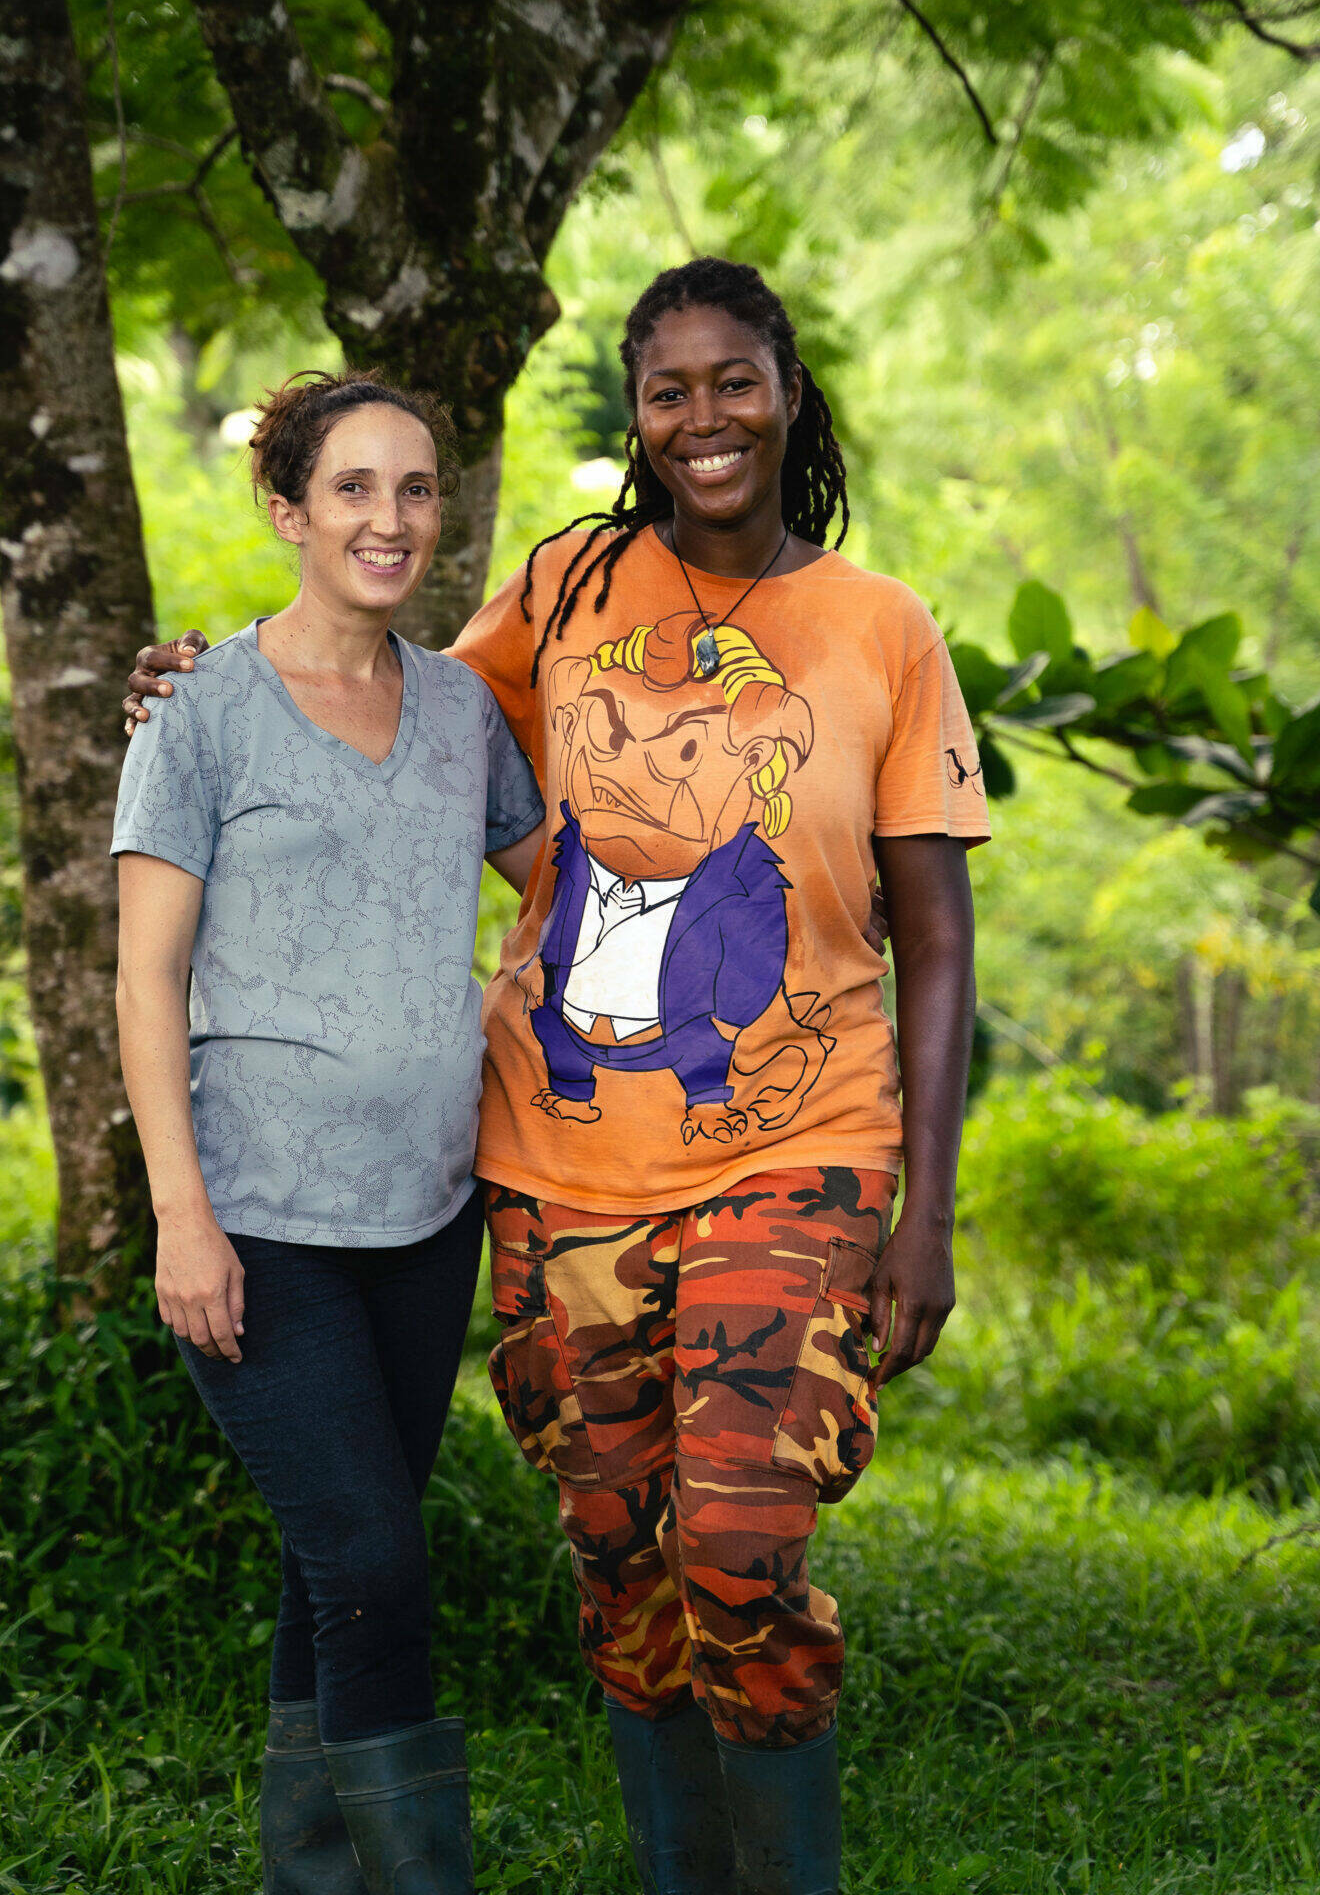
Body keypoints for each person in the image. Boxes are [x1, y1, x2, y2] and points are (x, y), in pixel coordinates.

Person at [126, 259, 988, 1895]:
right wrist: (198, 688)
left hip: (797, 1141)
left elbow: (938, 939)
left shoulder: (882, 627)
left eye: (735, 381)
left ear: (788, 394)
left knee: (738, 1539)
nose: (704, 417)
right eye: (669, 390)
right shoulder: (566, 588)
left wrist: (928, 1214)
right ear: (638, 417)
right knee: (617, 1555)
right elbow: (386, 709)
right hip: (557, 1160)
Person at [112, 370, 543, 1895]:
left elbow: (566, 886)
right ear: (287, 512)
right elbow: (145, 981)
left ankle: (312, 1874)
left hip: (426, 1215)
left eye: (414, 488)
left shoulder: (463, 714)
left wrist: (517, 987)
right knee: (375, 1563)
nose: (390, 518)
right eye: (352, 487)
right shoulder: (198, 714)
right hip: (258, 1219)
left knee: (337, 1567)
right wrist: (182, 1216)